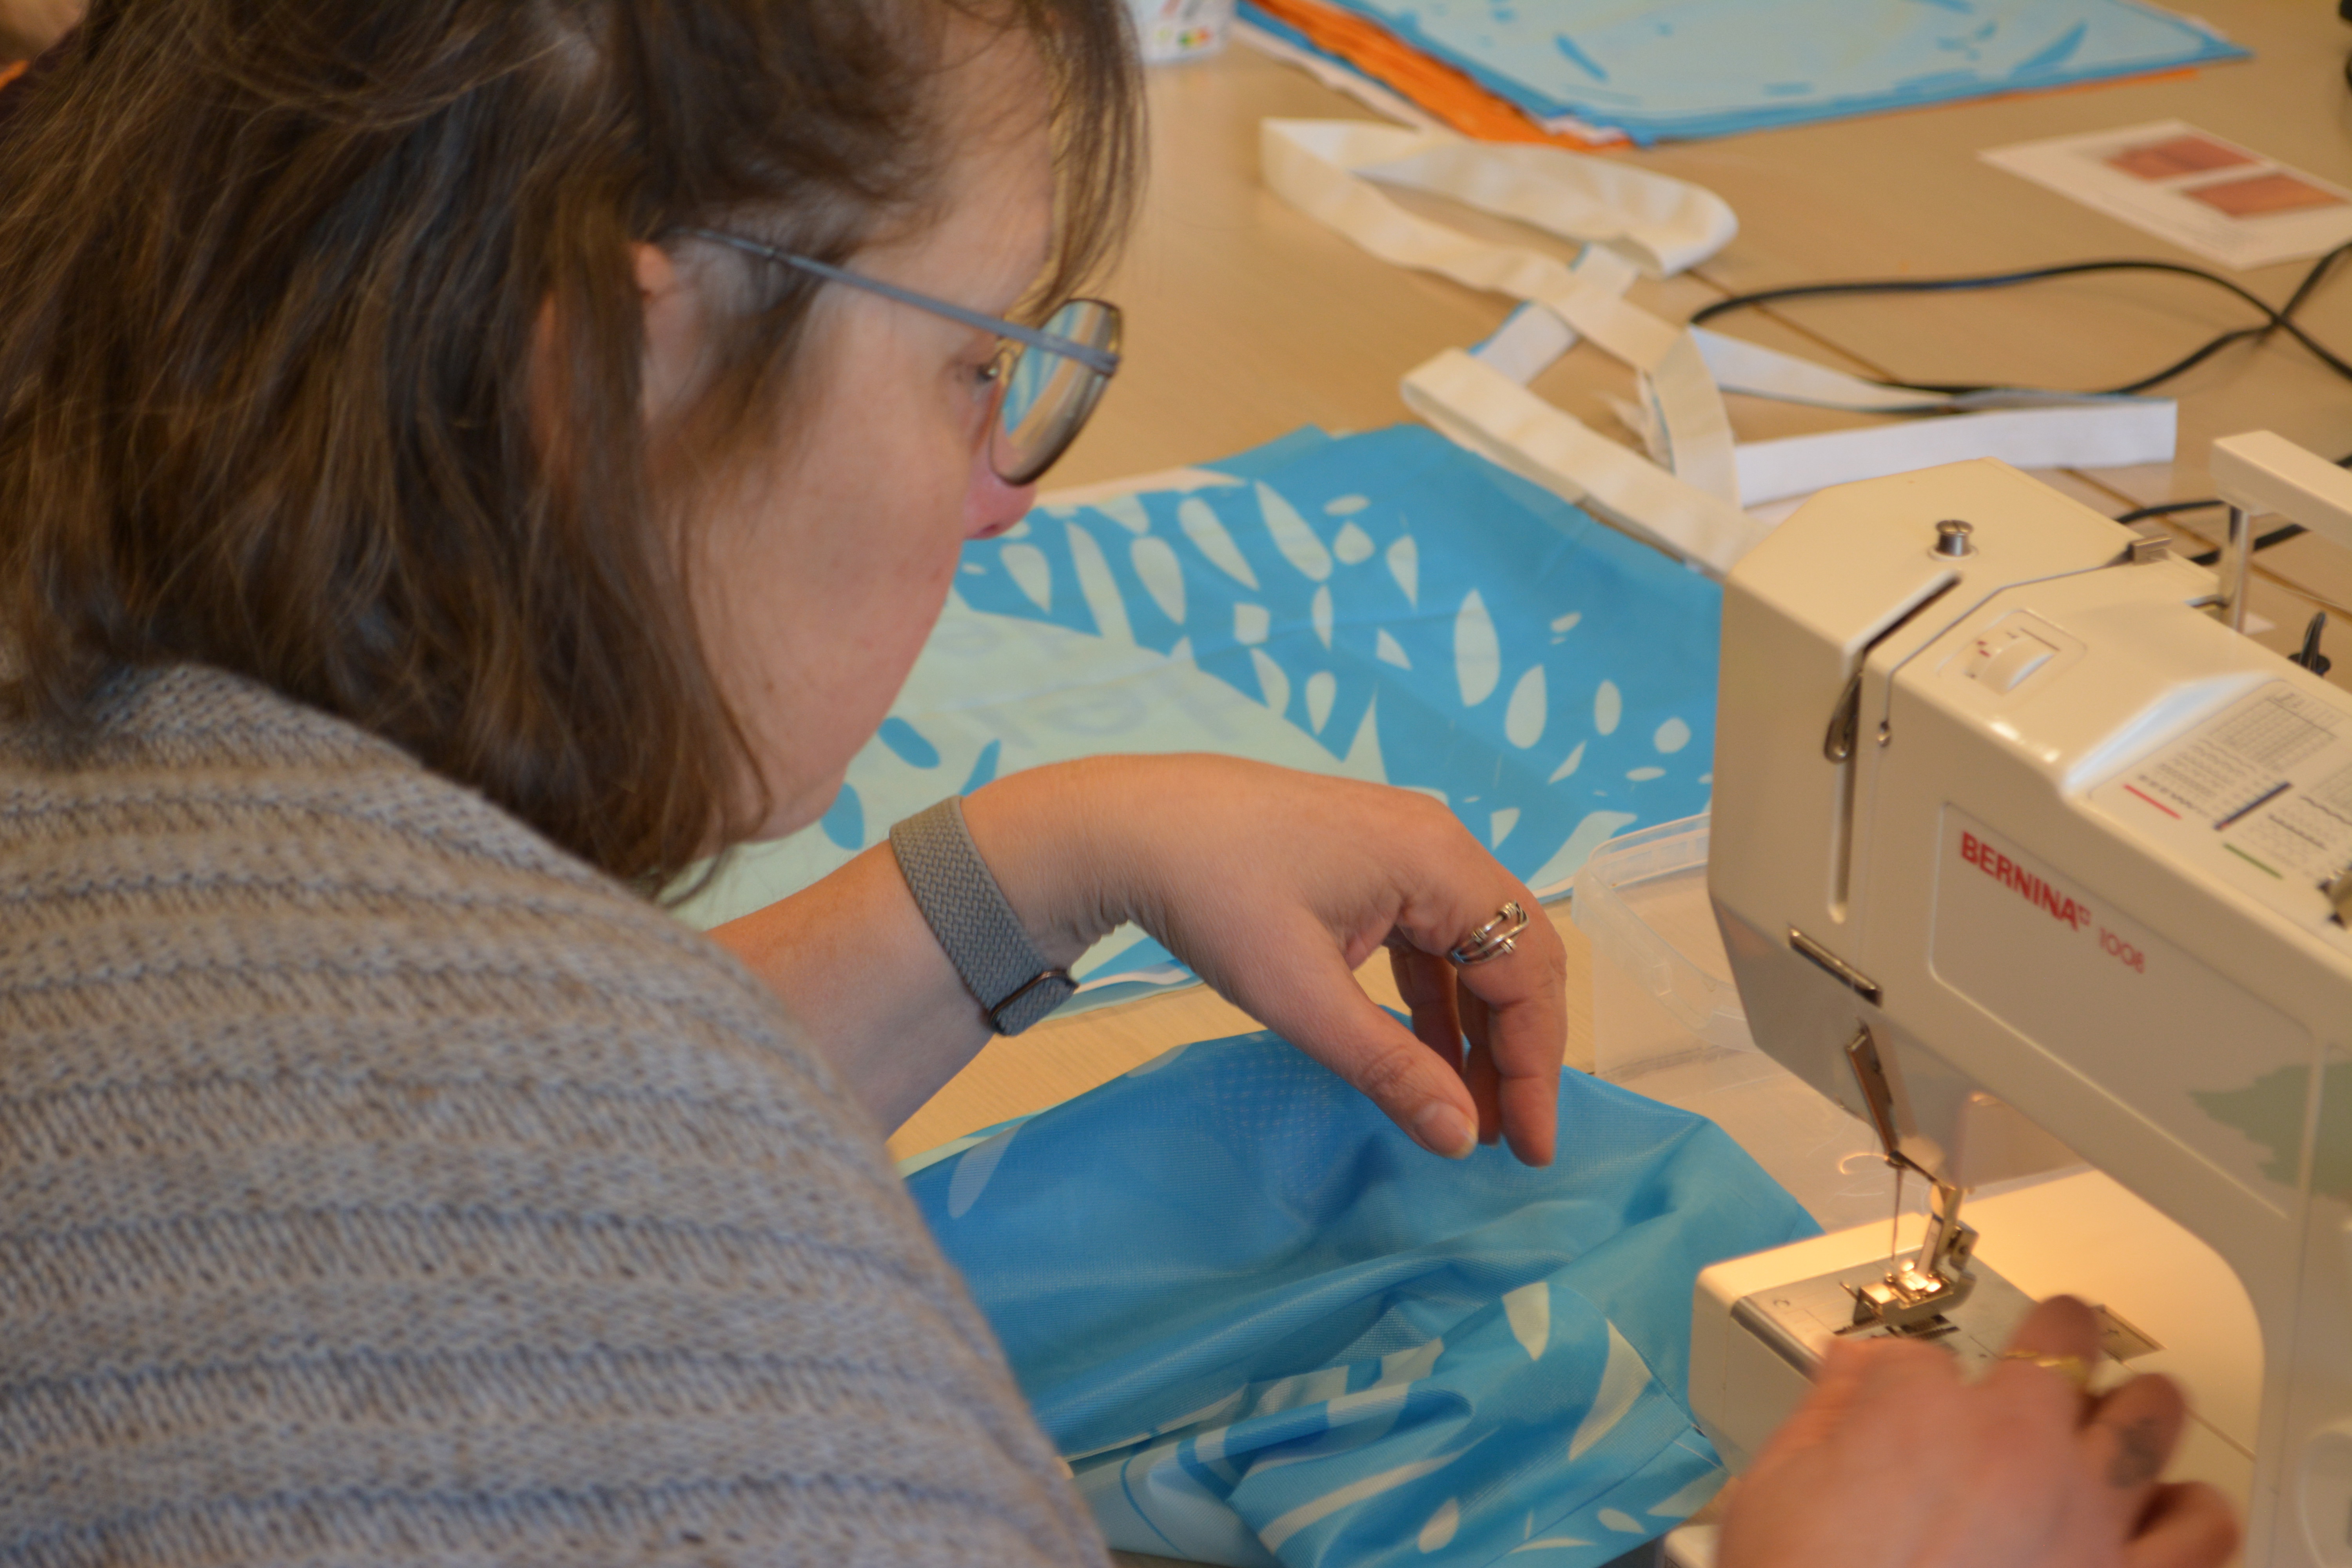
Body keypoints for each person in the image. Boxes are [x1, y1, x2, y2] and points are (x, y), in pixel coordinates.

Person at [0, 4, 2236, 1566]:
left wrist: (1012, 875)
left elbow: (406, 1160)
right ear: (607, 352)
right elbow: (551, 1264)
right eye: (979, 363)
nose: (1007, 505)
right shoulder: (759, 1405)